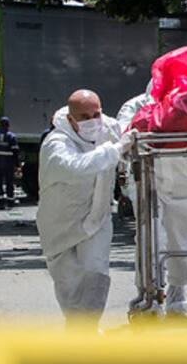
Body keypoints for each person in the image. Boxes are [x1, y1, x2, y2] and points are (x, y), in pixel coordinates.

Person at [36, 89, 135, 328]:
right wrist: (116, 149)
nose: (92, 121)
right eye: (84, 116)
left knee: (95, 273)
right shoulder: (56, 143)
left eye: (96, 113)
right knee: (68, 281)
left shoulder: (107, 128)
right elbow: (78, 167)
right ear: (70, 119)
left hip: (97, 218)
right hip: (60, 224)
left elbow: (132, 124)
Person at [118, 86, 187, 318]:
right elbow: (122, 132)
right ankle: (149, 295)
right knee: (148, 238)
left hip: (183, 180)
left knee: (181, 239)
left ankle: (177, 296)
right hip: (146, 179)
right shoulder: (135, 106)